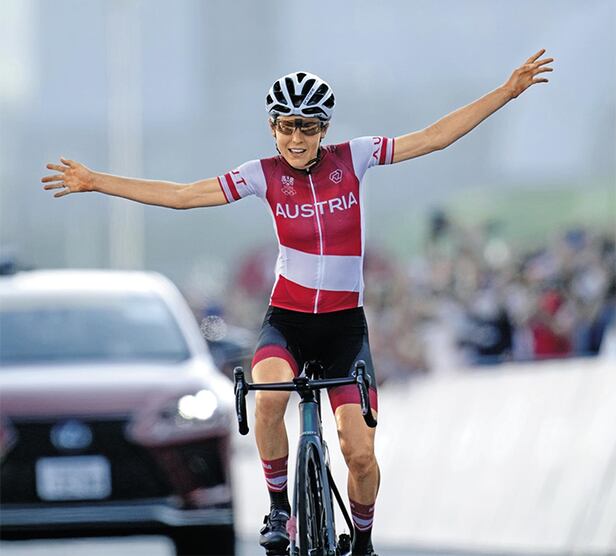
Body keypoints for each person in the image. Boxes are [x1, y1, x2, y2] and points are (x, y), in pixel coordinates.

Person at [42, 49, 553, 555]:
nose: (296, 138)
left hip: (343, 330)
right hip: (287, 322)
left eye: (307, 127)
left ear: (324, 129)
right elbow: (182, 195)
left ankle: (363, 540)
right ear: (273, 129)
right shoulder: (261, 174)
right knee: (268, 400)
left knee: (360, 454)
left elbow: (434, 137)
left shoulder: (355, 157)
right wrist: (96, 181)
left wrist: (507, 92)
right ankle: (278, 508)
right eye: (286, 126)